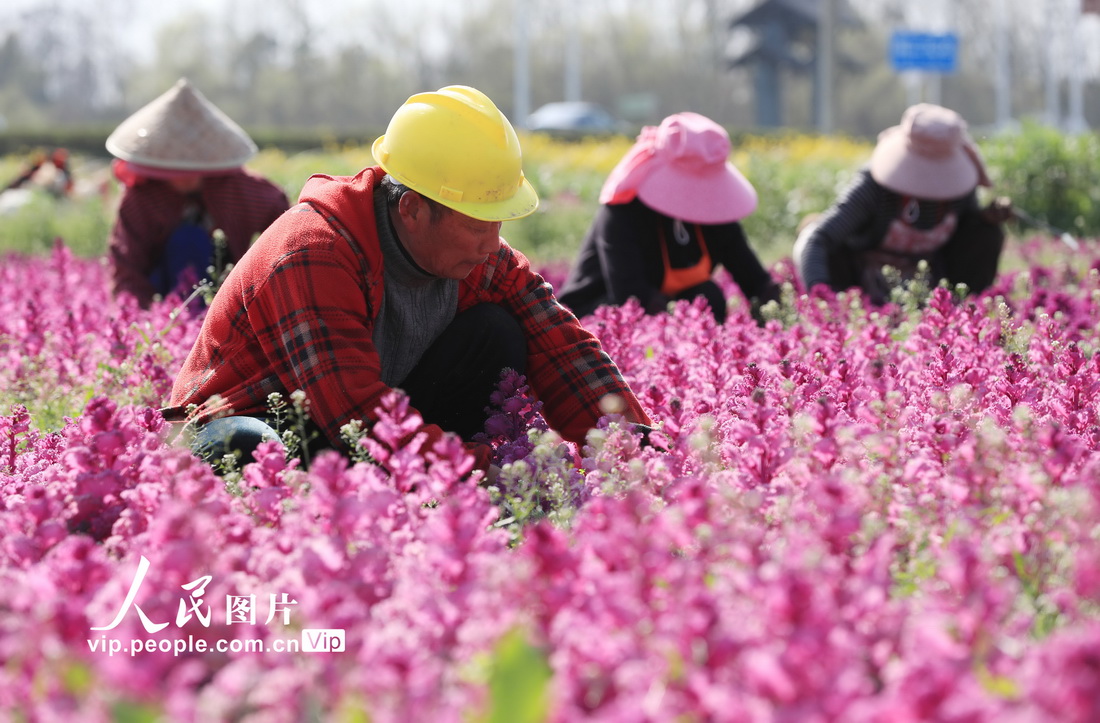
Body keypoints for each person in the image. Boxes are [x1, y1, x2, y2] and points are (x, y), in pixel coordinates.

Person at [164, 85, 654, 473]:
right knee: (248, 448)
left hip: (364, 425)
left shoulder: (475, 252)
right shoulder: (314, 251)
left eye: (497, 222)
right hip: (263, 424)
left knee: (499, 329)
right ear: (413, 209)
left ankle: (425, 486)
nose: (492, 243)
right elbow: (351, 413)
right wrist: (493, 471)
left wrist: (634, 451)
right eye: (478, 223)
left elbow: (561, 343)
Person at [557, 112, 780, 324]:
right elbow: (631, 296)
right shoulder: (624, 211)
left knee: (709, 296)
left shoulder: (714, 213)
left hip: (667, 315)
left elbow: (754, 278)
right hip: (601, 315)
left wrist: (778, 319)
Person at [792, 103, 1013, 305]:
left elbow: (968, 239)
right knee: (813, 230)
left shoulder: (959, 191)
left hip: (932, 283)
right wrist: (822, 297)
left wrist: (983, 218)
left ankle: (964, 309)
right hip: (862, 284)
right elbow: (818, 239)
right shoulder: (874, 187)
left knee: (987, 233)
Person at [106, 78, 289, 308]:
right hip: (164, 298)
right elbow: (126, 266)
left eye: (193, 166)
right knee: (186, 241)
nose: (185, 175)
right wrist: (140, 315)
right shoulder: (143, 197)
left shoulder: (238, 189)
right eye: (176, 167)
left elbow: (283, 227)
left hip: (230, 294)